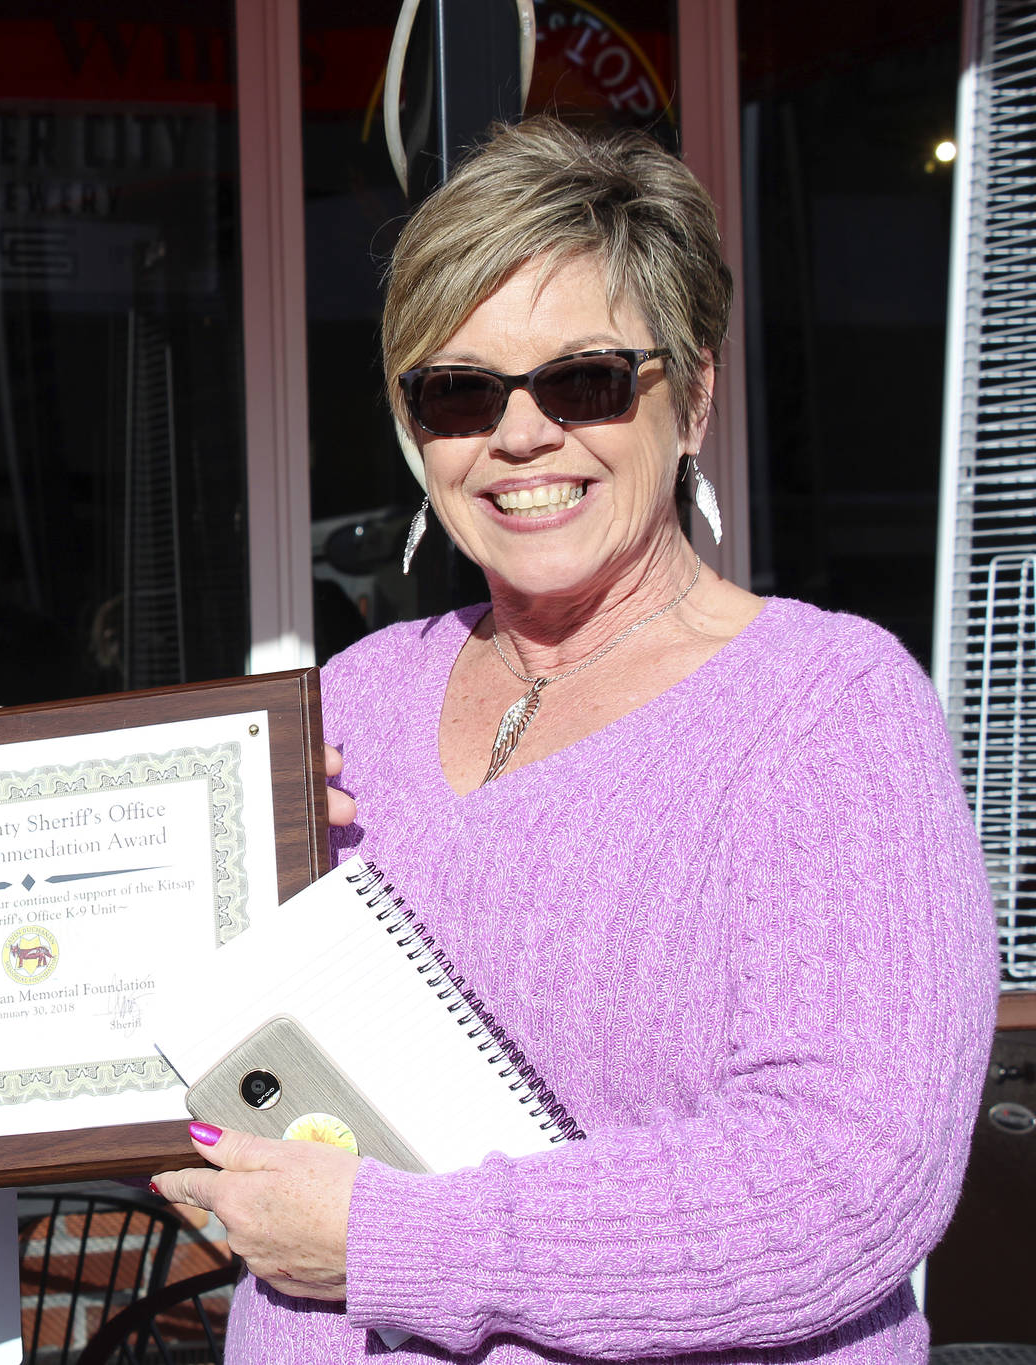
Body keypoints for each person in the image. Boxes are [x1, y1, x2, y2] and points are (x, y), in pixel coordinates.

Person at [150, 117, 998, 1362]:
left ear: (692, 393)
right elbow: (179, 1054)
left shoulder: (822, 706)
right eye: (458, 391)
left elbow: (842, 1180)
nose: (520, 433)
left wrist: (395, 1244)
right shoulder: (351, 701)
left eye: (584, 379)